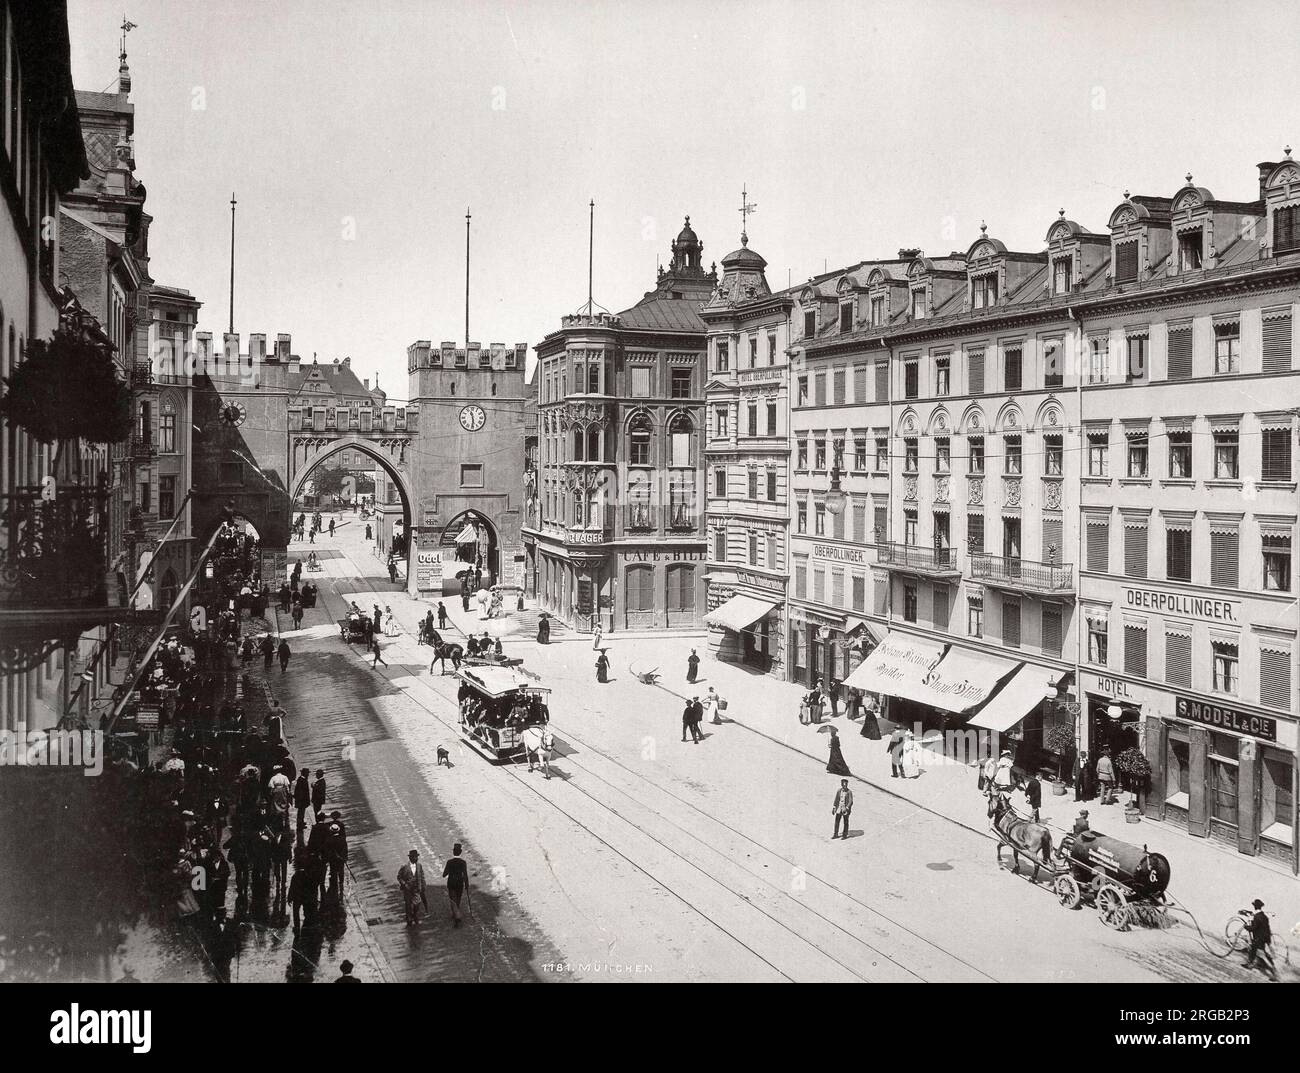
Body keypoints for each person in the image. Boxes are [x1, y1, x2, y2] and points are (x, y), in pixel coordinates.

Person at [1242, 899, 1277, 978]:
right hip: (1265, 938)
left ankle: (1274, 973)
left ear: (1254, 906)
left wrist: (1246, 927)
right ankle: (1253, 964)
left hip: (1259, 938)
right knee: (1255, 950)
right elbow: (1266, 928)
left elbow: (1253, 928)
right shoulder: (1263, 916)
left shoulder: (1257, 917)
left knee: (1260, 954)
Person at [397, 849, 428, 926]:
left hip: (416, 888)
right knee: (408, 904)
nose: (416, 858)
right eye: (414, 857)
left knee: (417, 903)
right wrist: (404, 884)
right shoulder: (404, 866)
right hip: (407, 889)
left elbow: (422, 876)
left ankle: (415, 914)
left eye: (416, 857)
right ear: (410, 858)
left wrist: (423, 886)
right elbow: (399, 877)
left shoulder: (419, 865)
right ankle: (409, 919)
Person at [443, 842, 470, 926]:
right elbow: (465, 874)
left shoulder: (449, 862)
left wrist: (448, 871)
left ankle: (456, 915)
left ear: (453, 852)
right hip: (459, 883)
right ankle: (456, 915)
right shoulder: (463, 862)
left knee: (452, 900)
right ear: (460, 852)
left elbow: (444, 874)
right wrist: (467, 884)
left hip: (451, 883)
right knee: (458, 900)